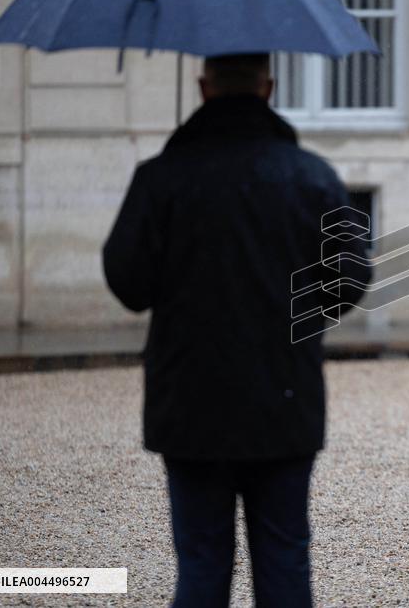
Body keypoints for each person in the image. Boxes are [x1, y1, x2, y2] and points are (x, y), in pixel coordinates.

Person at [103, 53, 370, 606]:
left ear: (204, 88)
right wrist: (295, 320)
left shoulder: (162, 177)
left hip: (190, 396)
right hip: (284, 391)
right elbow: (352, 275)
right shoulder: (312, 176)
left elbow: (128, 282)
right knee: (285, 560)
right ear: (268, 87)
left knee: (201, 564)